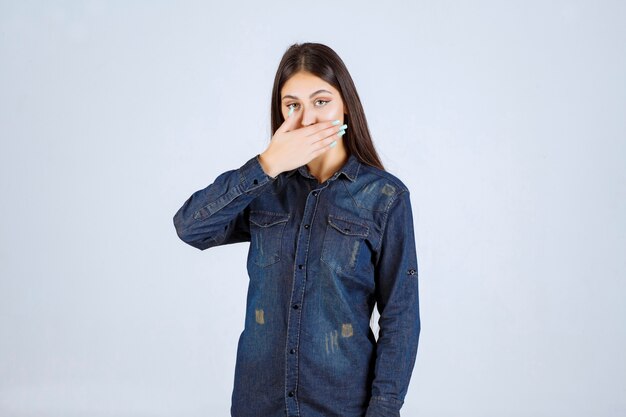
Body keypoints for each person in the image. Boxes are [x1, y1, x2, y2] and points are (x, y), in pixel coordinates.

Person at [173, 42, 420, 417]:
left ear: (345, 106)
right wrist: (267, 163)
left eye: (321, 101)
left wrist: (384, 410)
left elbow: (401, 316)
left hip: (341, 404)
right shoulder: (265, 188)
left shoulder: (384, 196)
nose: (306, 119)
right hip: (259, 404)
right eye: (293, 105)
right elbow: (191, 228)